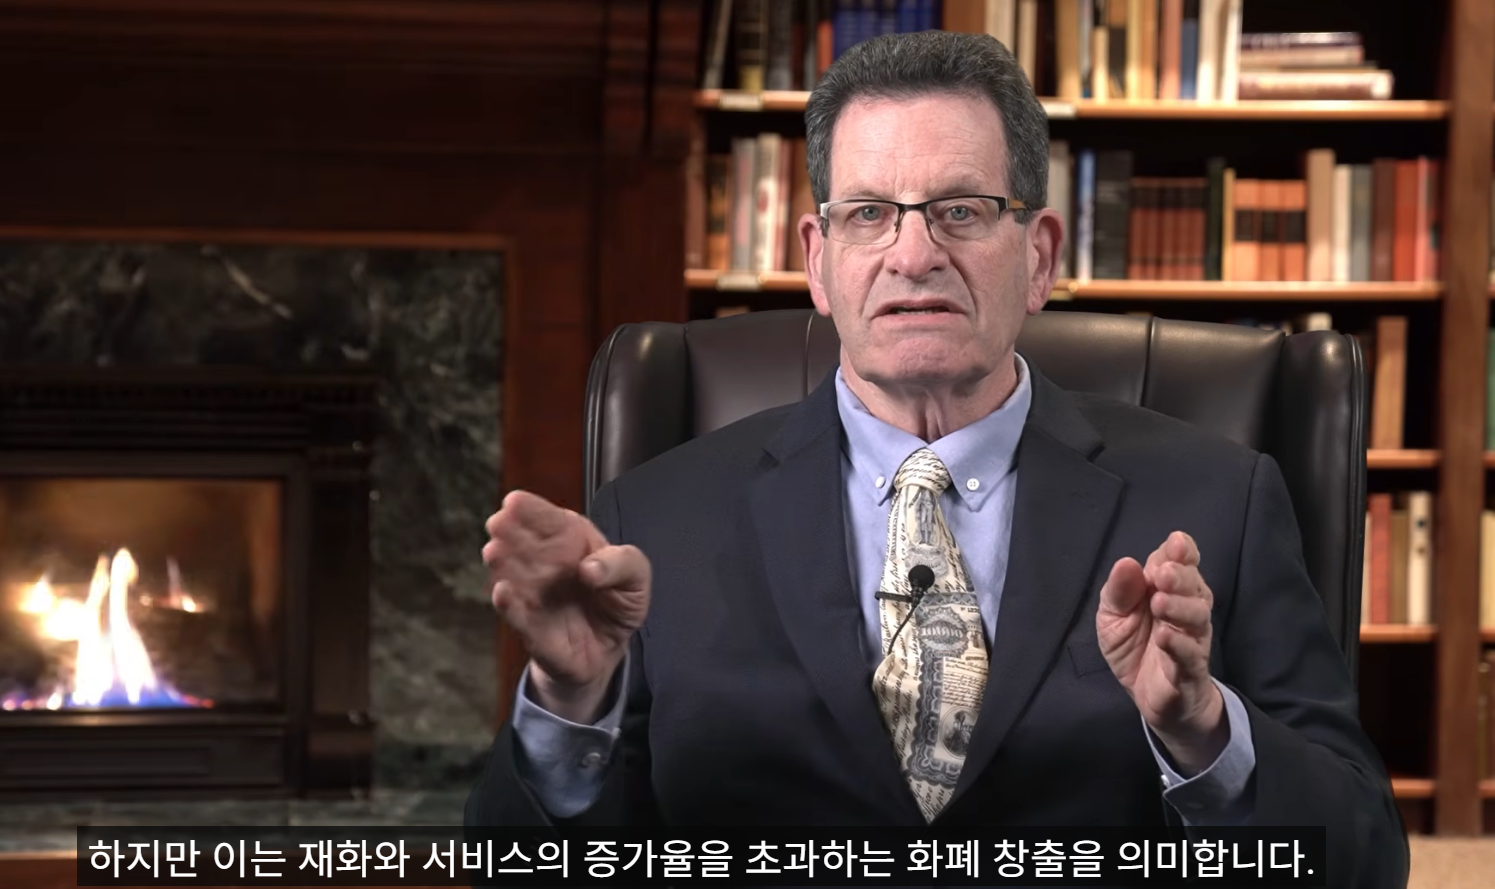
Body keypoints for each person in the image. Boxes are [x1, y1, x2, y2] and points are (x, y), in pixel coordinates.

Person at [468, 29, 1408, 887]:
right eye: (868, 213)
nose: (912, 253)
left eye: (959, 210)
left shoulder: (1217, 500)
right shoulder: (653, 519)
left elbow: (1363, 859)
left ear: (1037, 256)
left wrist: (1202, 730)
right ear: (818, 259)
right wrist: (568, 705)